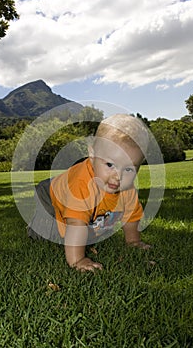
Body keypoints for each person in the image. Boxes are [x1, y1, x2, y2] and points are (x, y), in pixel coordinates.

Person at [27, 114, 151, 272]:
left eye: (128, 169)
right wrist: (78, 260)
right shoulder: (82, 185)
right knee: (54, 231)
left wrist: (133, 242)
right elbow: (76, 225)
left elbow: (132, 217)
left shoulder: (127, 188)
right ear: (92, 156)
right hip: (49, 195)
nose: (118, 176)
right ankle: (34, 227)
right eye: (110, 164)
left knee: (91, 226)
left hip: (69, 188)